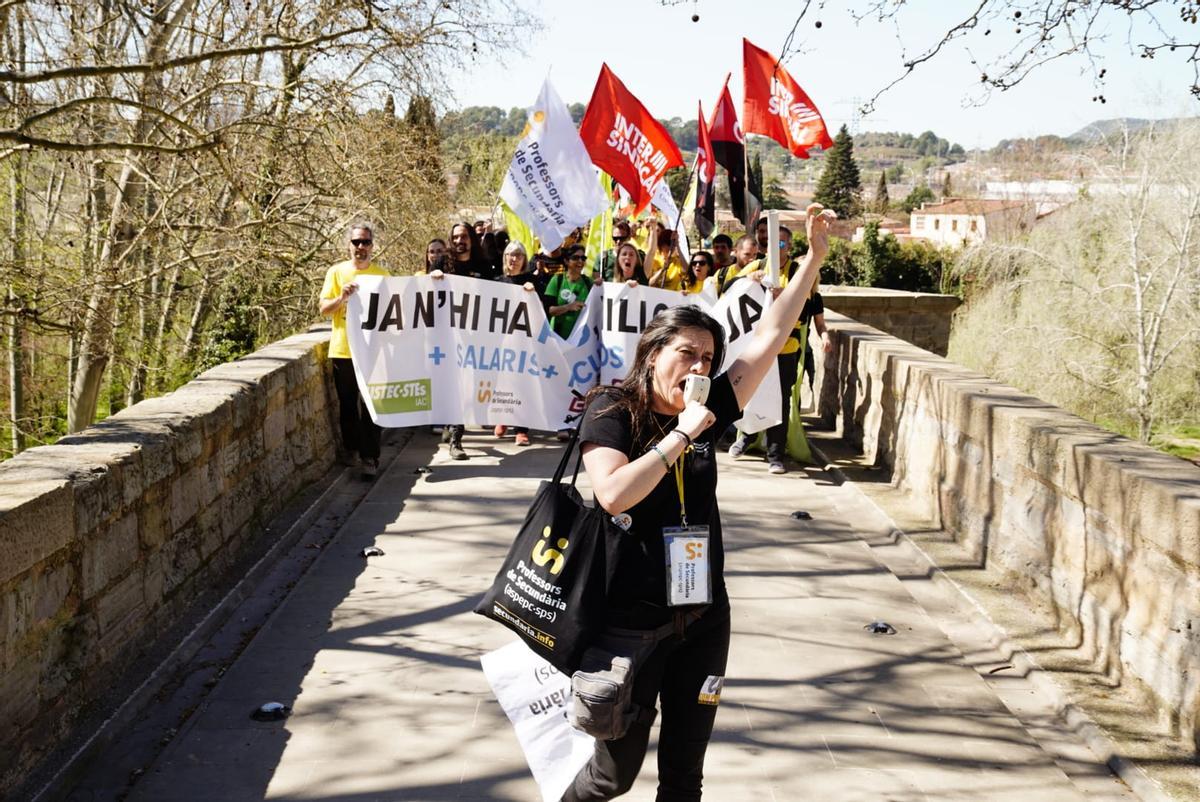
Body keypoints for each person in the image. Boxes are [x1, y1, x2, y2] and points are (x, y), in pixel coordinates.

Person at [564, 203, 834, 802]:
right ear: (652, 353)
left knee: (685, 778)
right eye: (686, 353)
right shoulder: (613, 411)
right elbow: (611, 494)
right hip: (629, 627)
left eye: (708, 359)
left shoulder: (711, 403)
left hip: (703, 618)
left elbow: (768, 335)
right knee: (614, 775)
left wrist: (811, 258)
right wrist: (682, 432)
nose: (698, 367)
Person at [318, 223, 389, 479]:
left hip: (372, 353)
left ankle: (371, 457)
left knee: (372, 407)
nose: (361, 247)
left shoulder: (382, 275)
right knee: (348, 405)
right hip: (343, 350)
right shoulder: (336, 272)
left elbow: (394, 313)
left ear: (372, 246)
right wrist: (342, 298)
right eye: (357, 242)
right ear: (349, 245)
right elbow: (323, 308)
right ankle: (352, 449)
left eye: (366, 242)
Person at [495, 241, 537, 446]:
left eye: (519, 255)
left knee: (522, 382)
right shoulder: (496, 281)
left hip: (524, 340)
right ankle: (502, 417)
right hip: (501, 340)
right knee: (502, 380)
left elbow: (543, 308)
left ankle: (521, 428)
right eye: (510, 255)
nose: (514, 259)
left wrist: (533, 292)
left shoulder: (532, 281)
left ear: (524, 259)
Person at [545, 244, 591, 339]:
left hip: (580, 340)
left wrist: (600, 283)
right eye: (575, 258)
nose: (580, 261)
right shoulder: (557, 280)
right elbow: (549, 310)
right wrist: (569, 307)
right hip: (558, 339)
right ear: (566, 261)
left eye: (583, 258)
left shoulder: (589, 282)